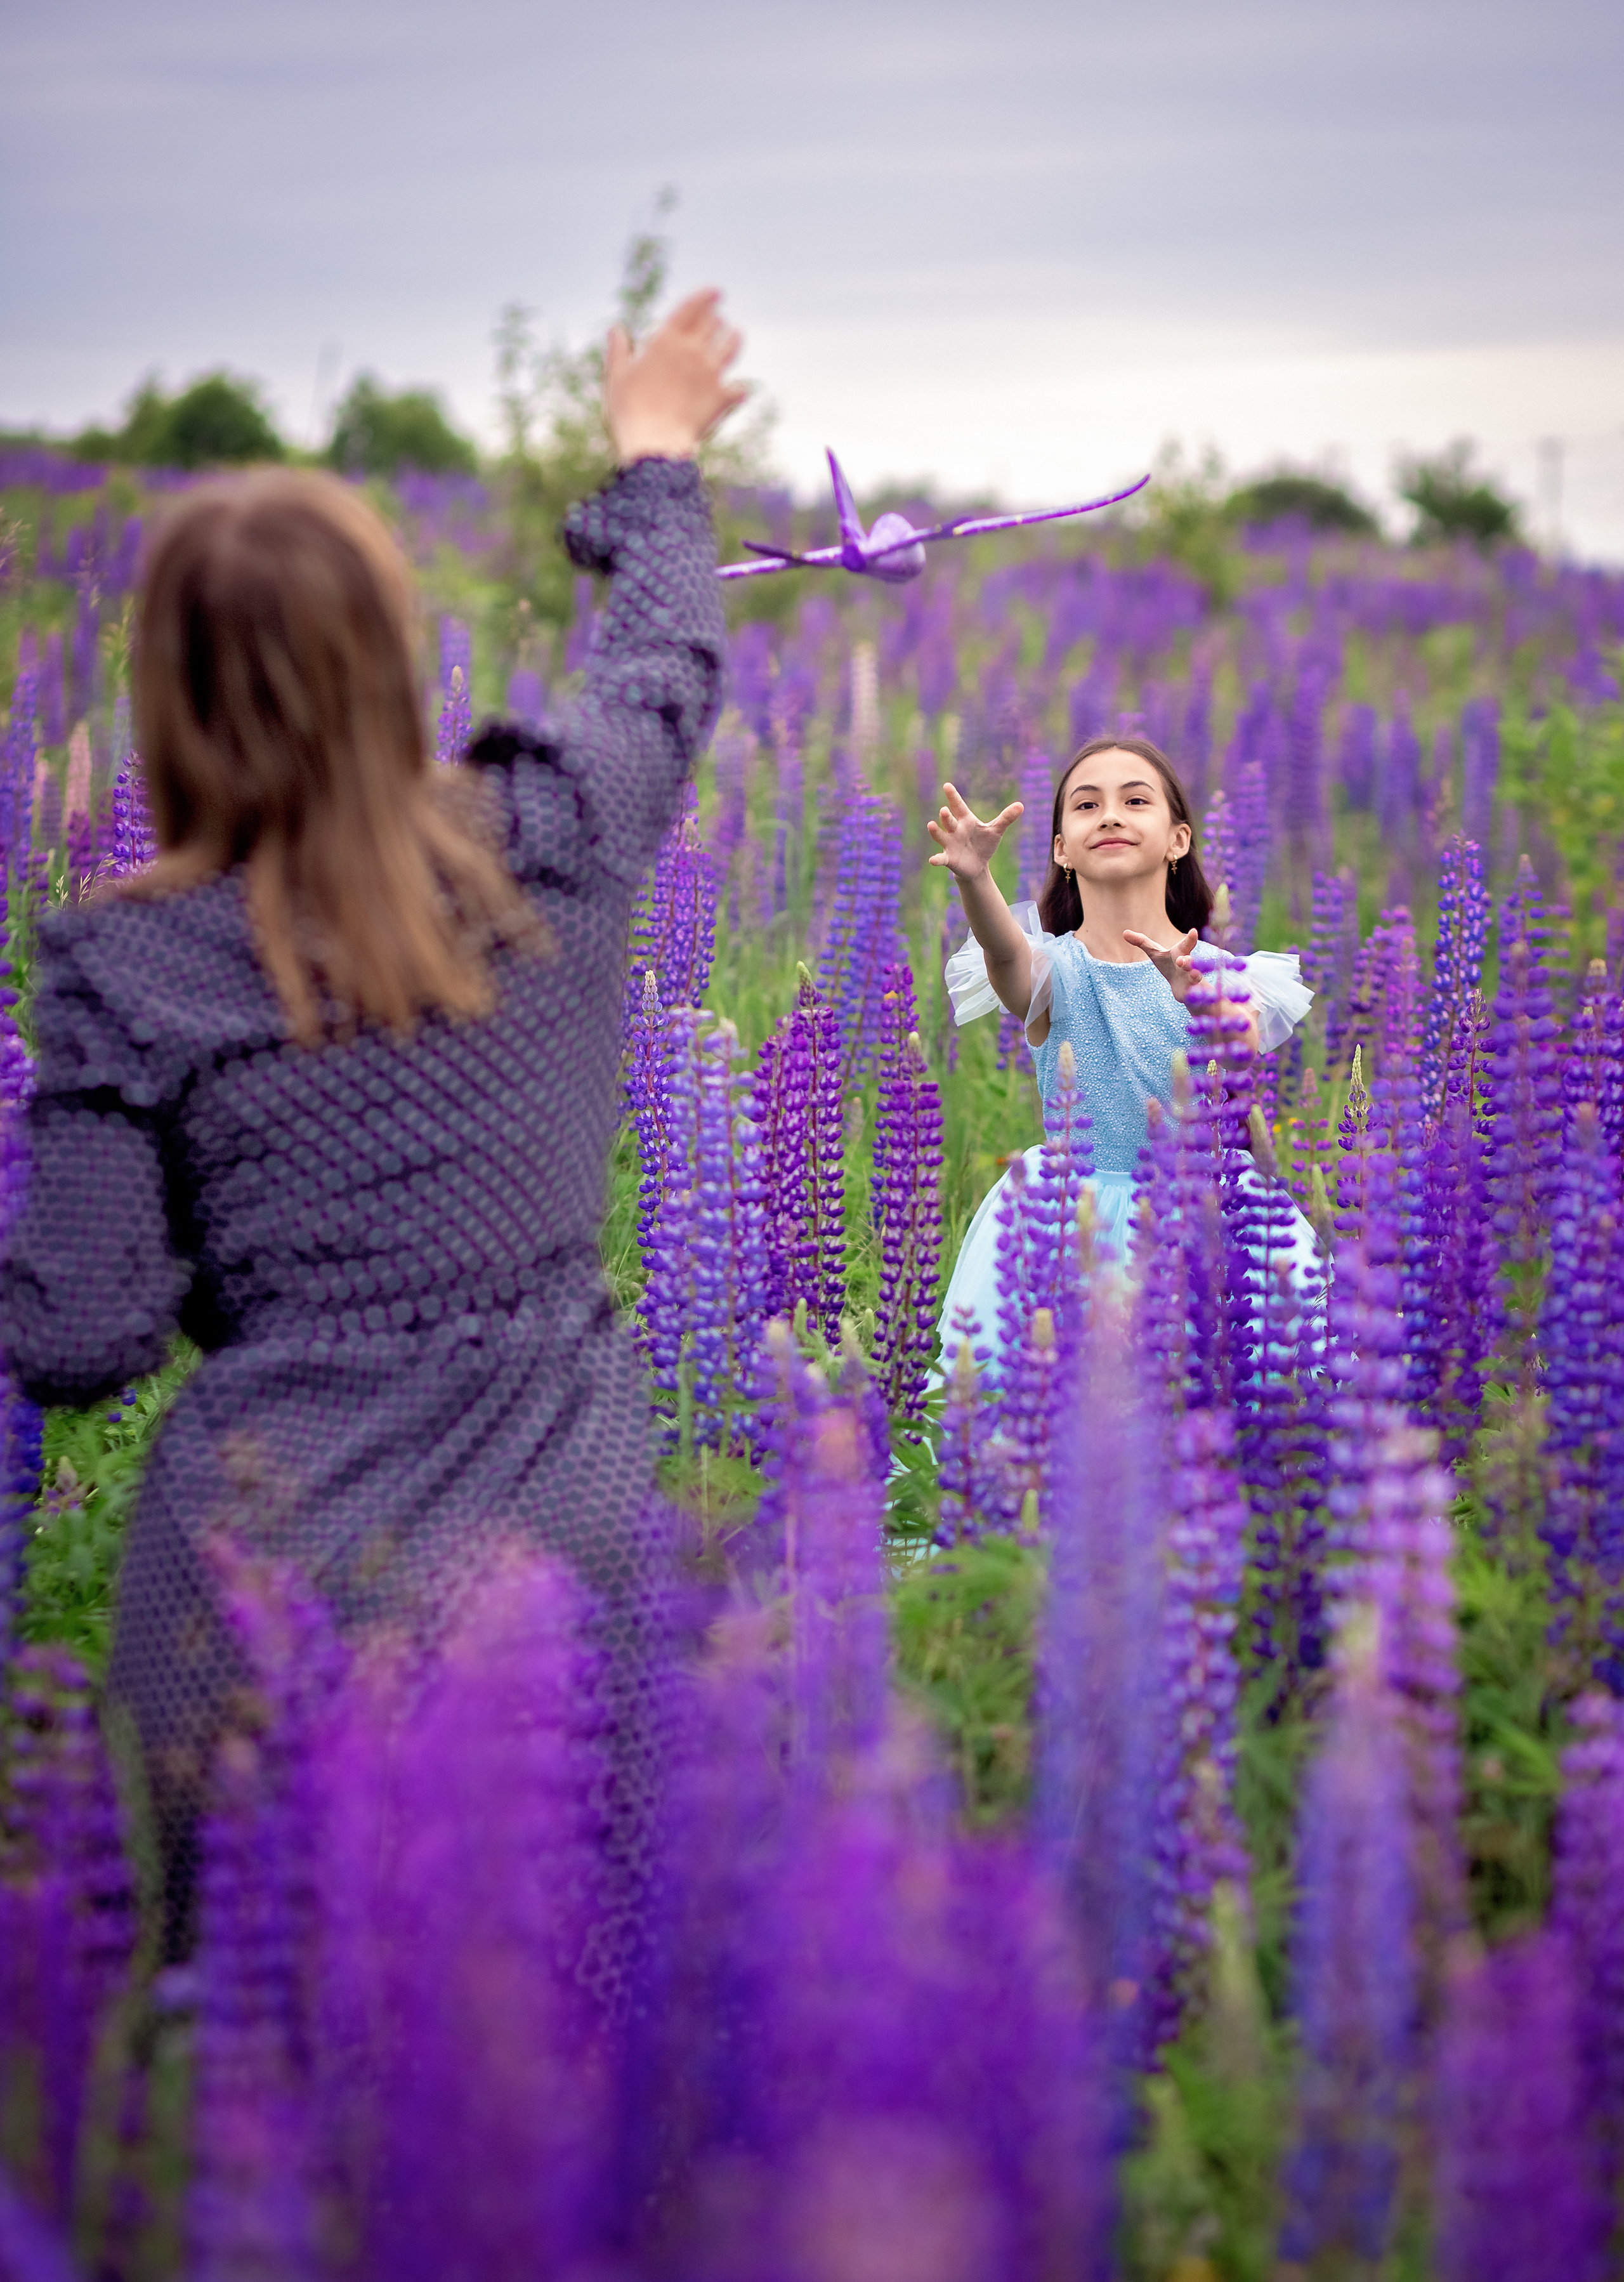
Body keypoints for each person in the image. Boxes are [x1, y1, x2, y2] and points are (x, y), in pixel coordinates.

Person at [0, 288, 747, 1974]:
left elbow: (81, 1336)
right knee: (567, 2047)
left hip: (255, 1573)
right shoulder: (549, 829)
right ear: (391, 660)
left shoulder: (126, 960)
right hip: (562, 1551)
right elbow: (662, 669)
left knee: (244, 2061)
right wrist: (655, 452)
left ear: (166, 695)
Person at [929, 733, 1321, 1362]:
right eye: (1087, 805)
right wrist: (975, 879)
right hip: (1072, 1218)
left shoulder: (1222, 973)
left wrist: (1199, 998)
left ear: (1178, 840)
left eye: (1135, 800)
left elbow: (1243, 1047)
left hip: (1208, 1214)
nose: (1110, 815)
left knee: (1239, 1381)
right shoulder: (1052, 972)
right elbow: (1004, 955)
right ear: (1061, 849)